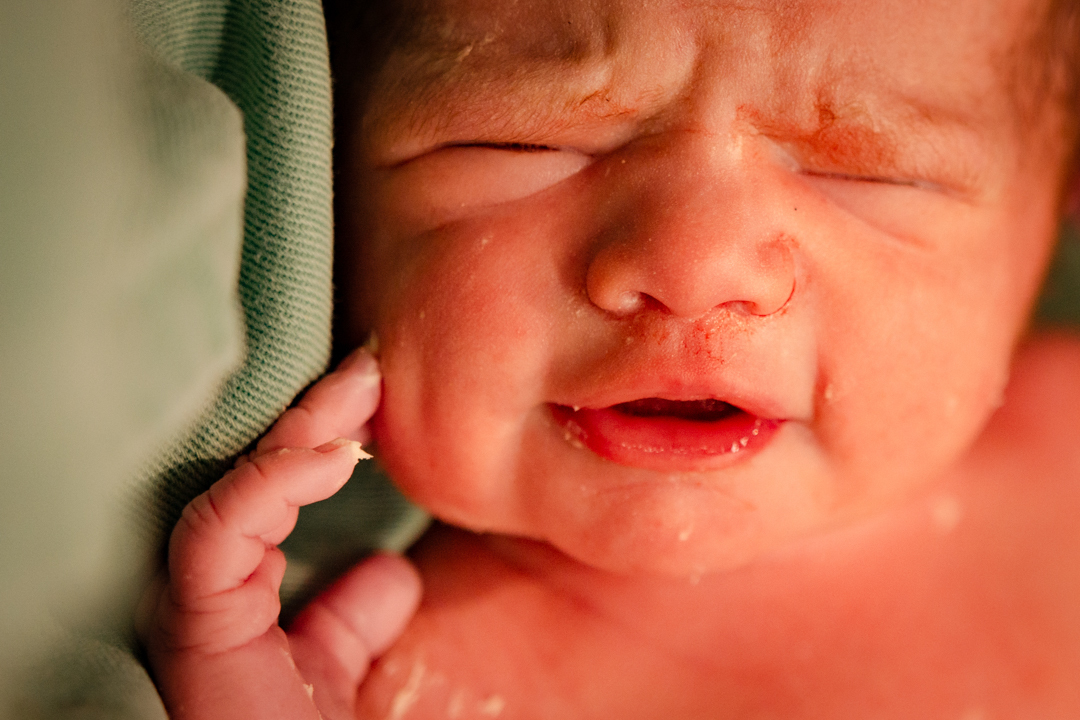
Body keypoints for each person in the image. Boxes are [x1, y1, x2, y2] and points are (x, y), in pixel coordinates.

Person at [140, 0, 1080, 716]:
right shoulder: (356, 662)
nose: (692, 267)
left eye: (865, 168)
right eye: (527, 139)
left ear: (1055, 208)